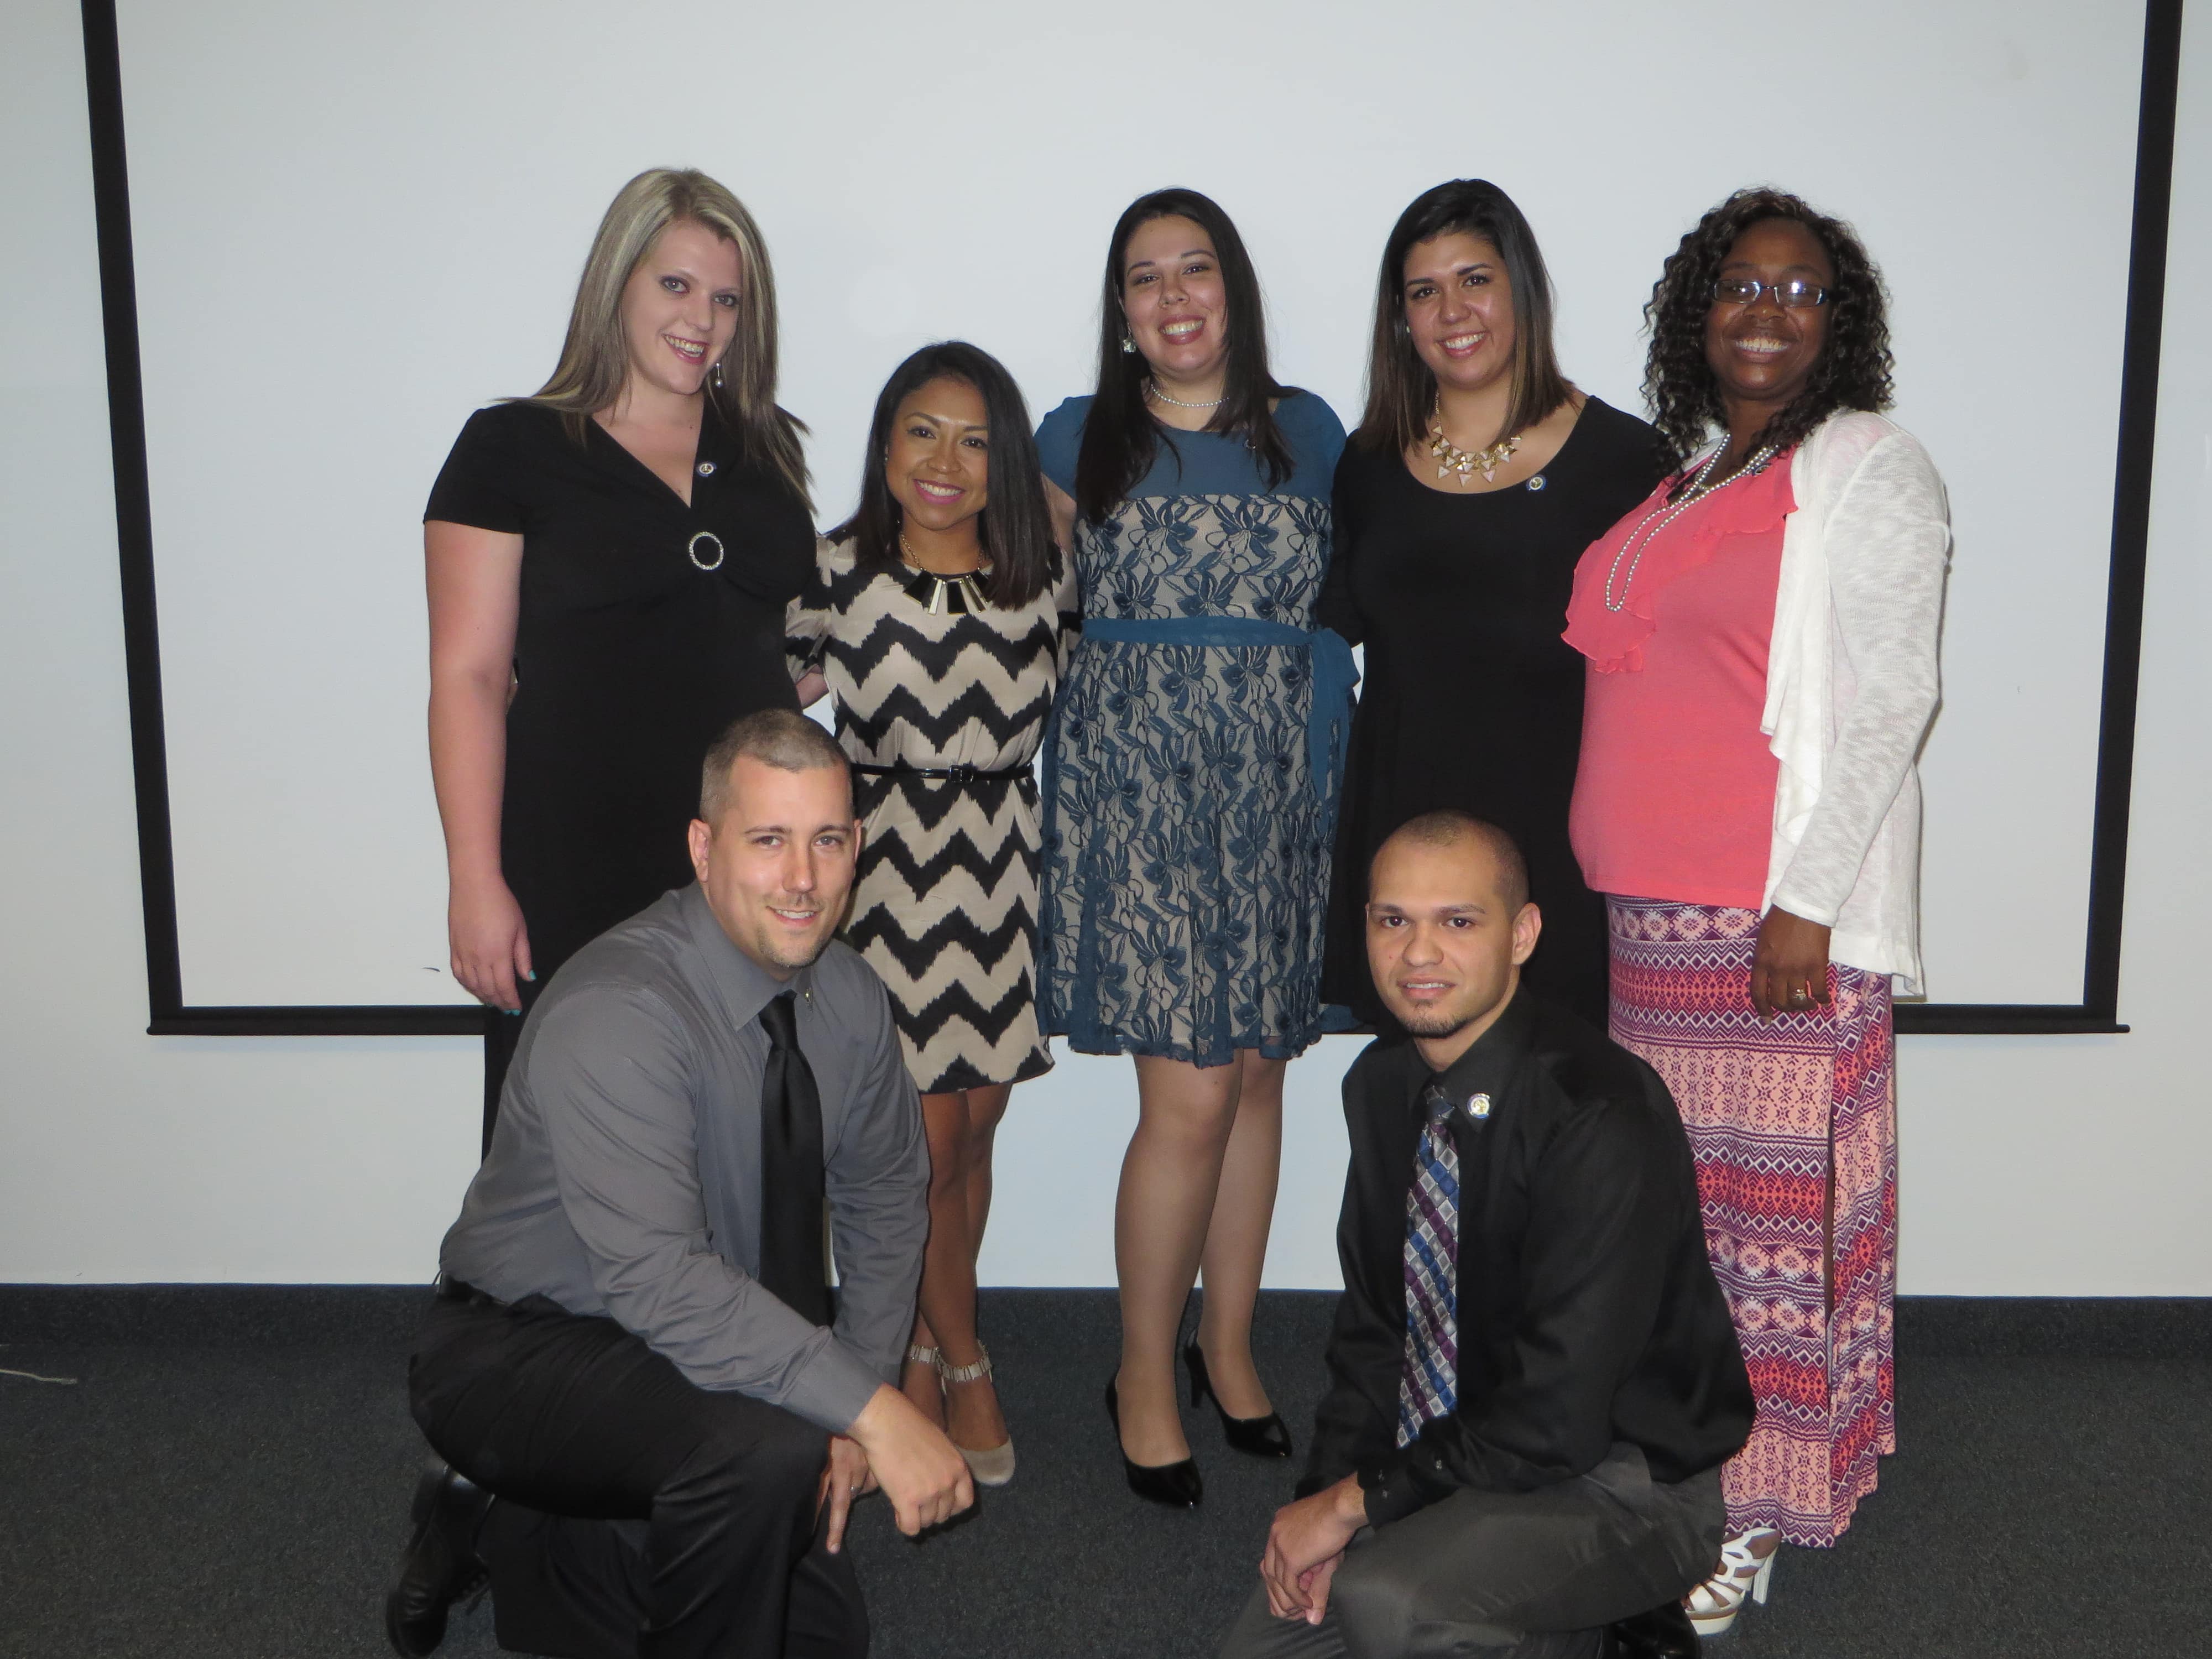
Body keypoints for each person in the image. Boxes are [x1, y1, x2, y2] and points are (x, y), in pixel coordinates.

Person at [384, 711, 973, 1659]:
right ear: (704, 849)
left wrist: (857, 1399)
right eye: (769, 841)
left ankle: (503, 1521)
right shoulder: (621, 1009)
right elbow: (659, 1281)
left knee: (826, 1637)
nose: (803, 881)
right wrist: (874, 1411)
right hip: (523, 1342)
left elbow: (887, 1200)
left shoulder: (852, 998)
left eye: (827, 841)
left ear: (856, 845)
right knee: (764, 1459)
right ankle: (498, 1487)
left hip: (700, 1348)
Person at [1564, 188, 1948, 1632]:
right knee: (1683, 1233)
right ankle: (1683, 1470)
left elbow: (1898, 694)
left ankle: (1758, 1517)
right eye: (1741, 285)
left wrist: (1806, 903)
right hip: (1648, 930)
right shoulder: (1687, 479)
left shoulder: (1866, 468)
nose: (1768, 310)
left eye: (1800, 291)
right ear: (1696, 316)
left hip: (1767, 928)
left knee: (1769, 1244)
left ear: (1838, 323)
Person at [1220, 812, 1752, 1659]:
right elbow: (1373, 1339)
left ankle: (1608, 1625)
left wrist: (1357, 1506)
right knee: (1272, 1645)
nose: (1417, 954)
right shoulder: (1383, 1089)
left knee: (1391, 1602)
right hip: (1451, 1457)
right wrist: (1323, 1499)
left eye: (1456, 922)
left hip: (1618, 1479)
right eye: (1392, 920)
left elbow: (1557, 1417)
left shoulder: (1597, 1116)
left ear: (1523, 934)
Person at [1036, 187, 1354, 1506]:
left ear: (1234, 290)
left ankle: (1225, 1349)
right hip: (1141, 798)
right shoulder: (1072, 438)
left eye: (1196, 271)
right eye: (1145, 278)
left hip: (1282, 792)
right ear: (1118, 311)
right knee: (1190, 1099)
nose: (1173, 299)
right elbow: (1005, 594)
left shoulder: (1312, 431)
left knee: (1263, 1077)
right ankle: (1141, 1372)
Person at [425, 167, 815, 1150]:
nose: (704, 319)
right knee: (570, 1148)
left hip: (733, 870)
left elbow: (776, 659)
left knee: (736, 1151)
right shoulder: (511, 447)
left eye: (728, 299)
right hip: (570, 863)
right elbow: (469, 679)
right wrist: (476, 880)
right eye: (676, 286)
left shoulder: (766, 457)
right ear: (617, 285)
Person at [786, 341, 1078, 1488]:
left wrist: (1050, 499)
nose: (943, 461)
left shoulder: (1041, 568)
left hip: (1004, 869)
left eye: (972, 438)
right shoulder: (839, 567)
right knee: (917, 1150)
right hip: (886, 879)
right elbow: (760, 678)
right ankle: (962, 1358)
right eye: (921, 431)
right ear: (884, 443)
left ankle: (912, 1336)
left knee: (976, 1138)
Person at [1318, 180, 1664, 1031]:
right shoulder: (1365, 465)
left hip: (1560, 856)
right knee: (1420, 1126)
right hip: (1409, 859)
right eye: (1423, 291)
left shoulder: (1622, 460)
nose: (1451, 311)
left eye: (1474, 280)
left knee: (1556, 1126)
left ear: (1520, 290)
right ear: (1401, 317)